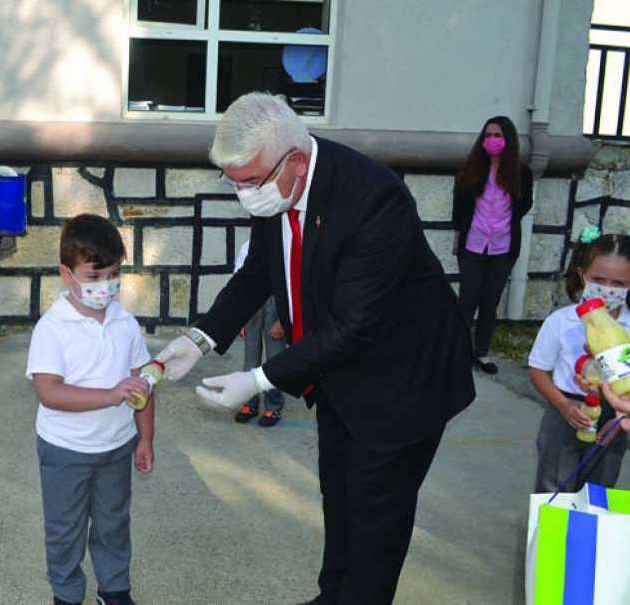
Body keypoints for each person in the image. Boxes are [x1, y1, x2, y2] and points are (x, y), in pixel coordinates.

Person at [155, 92, 475, 605]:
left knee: (376, 520)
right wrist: (201, 337)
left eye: (249, 182)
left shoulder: (375, 199)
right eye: (232, 182)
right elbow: (259, 269)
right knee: (340, 498)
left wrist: (258, 379)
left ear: (296, 163)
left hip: (403, 383)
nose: (243, 195)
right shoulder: (276, 187)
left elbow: (353, 328)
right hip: (337, 375)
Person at [26, 214, 155, 605]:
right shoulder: (53, 328)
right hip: (66, 451)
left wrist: (145, 438)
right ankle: (66, 594)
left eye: (114, 275)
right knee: (65, 530)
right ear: (67, 274)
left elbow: (142, 385)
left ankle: (114, 589)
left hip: (117, 447)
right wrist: (110, 395)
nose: (106, 287)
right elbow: (49, 392)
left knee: (114, 523)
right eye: (94, 277)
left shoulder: (126, 323)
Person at [528, 229, 630, 492]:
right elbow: (538, 371)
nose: (608, 290)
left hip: (613, 416)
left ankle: (587, 532)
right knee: (554, 484)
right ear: (582, 274)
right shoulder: (561, 321)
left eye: (618, 283)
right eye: (599, 279)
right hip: (564, 409)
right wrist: (562, 404)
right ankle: (550, 534)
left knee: (600, 486)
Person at [452, 116, 534, 375]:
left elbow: (524, 205)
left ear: (507, 140)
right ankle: (458, 352)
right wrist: (457, 236)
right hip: (473, 245)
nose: (492, 140)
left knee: (490, 302)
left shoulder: (521, 174)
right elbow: (460, 206)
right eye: (488, 135)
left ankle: (481, 353)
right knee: (468, 299)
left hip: (502, 247)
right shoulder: (471, 170)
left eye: (497, 135)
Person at [234, 239, 287, 426]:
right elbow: (238, 282)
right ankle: (250, 403)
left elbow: (291, 285)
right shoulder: (247, 246)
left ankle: (273, 407)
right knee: (250, 360)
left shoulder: (284, 245)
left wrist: (283, 321)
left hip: (275, 305)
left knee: (274, 359)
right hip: (252, 306)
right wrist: (240, 319)